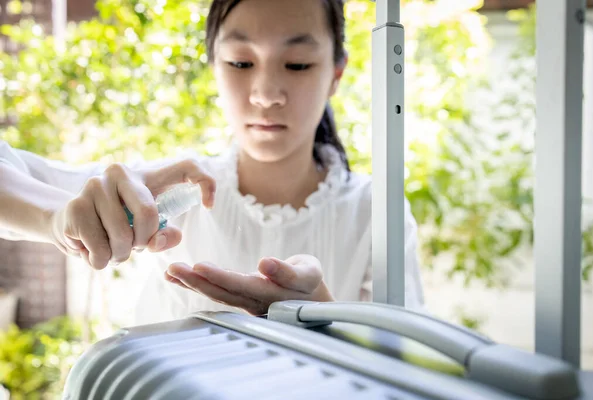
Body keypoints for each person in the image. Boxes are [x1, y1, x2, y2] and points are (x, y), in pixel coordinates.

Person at [0, 0, 424, 325]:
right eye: (241, 62)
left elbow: (405, 368)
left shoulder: (376, 213)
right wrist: (55, 217)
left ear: (336, 73)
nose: (266, 93)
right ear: (213, 66)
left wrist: (322, 319)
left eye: (297, 64)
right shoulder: (164, 193)